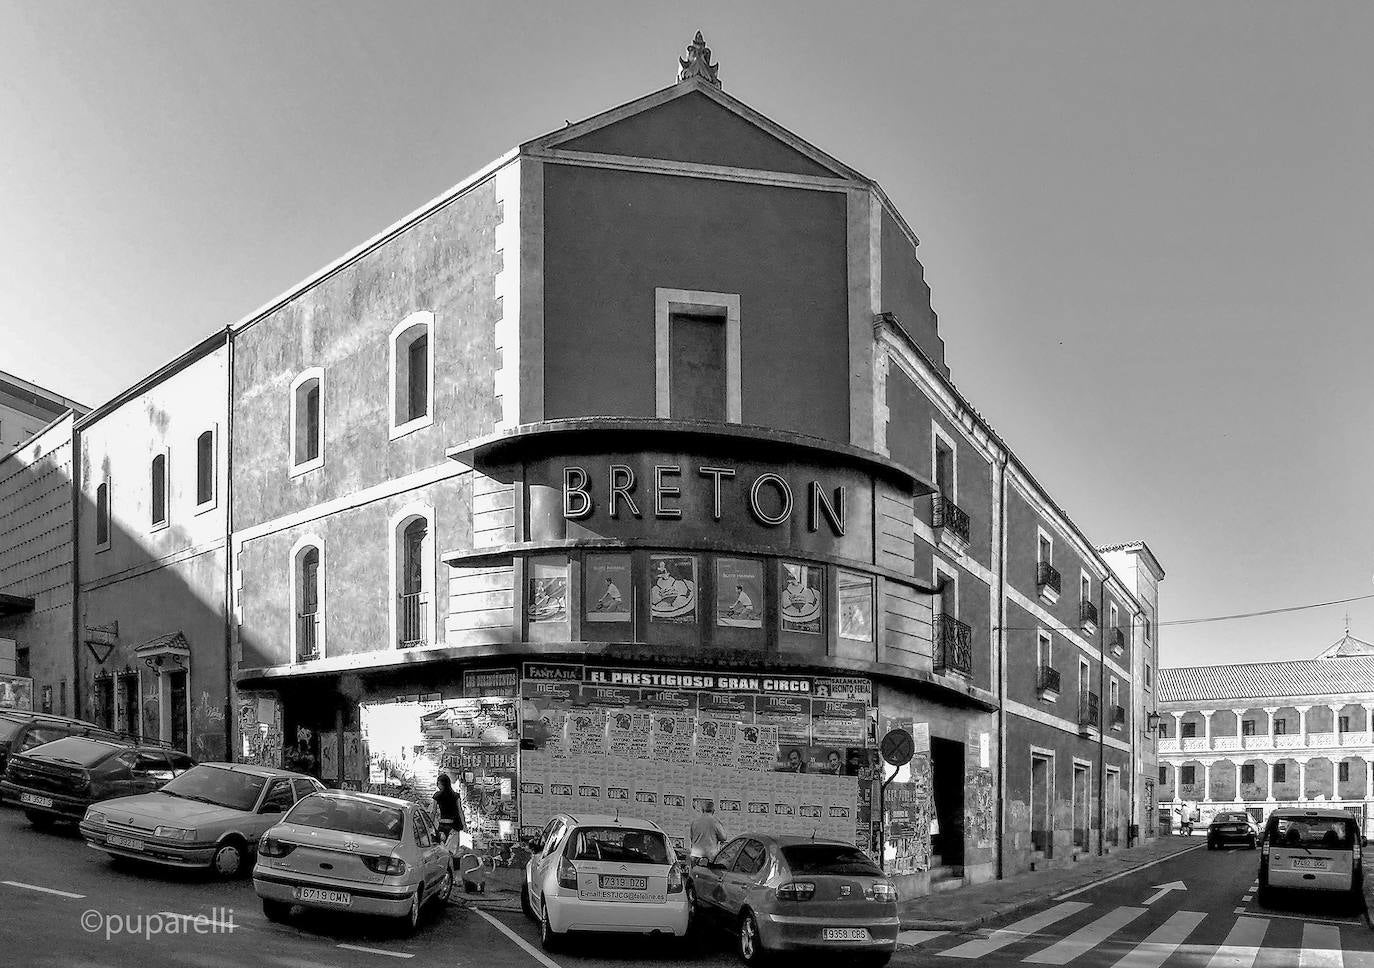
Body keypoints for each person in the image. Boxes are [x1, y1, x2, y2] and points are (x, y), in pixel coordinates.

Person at [433, 773, 465, 860]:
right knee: (453, 851)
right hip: (453, 827)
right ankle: (454, 869)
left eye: (438, 783)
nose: (438, 785)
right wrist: (464, 825)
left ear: (442, 784)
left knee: (441, 851)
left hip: (442, 827)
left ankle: (444, 869)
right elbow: (460, 811)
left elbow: (433, 812)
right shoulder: (455, 795)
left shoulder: (437, 795)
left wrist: (431, 826)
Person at [689, 800, 729, 867]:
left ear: (702, 810)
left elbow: (691, 837)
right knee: (707, 876)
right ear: (713, 810)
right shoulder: (715, 822)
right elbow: (723, 838)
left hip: (695, 856)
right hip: (709, 857)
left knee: (694, 875)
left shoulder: (694, 822)